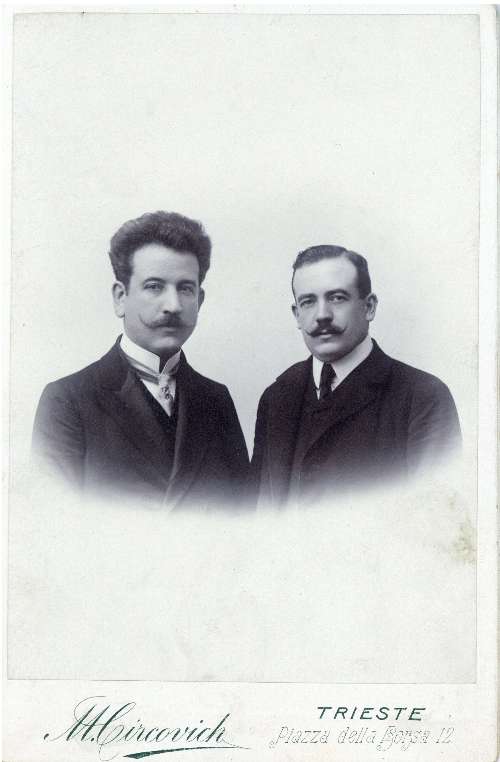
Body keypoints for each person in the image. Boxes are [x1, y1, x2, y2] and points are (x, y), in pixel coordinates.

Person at [32, 211, 249, 510]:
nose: (173, 305)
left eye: (185, 288)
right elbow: (53, 521)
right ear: (120, 298)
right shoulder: (68, 400)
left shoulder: (216, 399)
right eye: (154, 286)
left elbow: (244, 515)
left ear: (199, 300)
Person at [250, 245, 461, 508]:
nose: (322, 315)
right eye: (308, 302)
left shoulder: (423, 397)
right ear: (297, 315)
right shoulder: (276, 398)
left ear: (369, 307)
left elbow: (435, 518)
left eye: (337, 298)